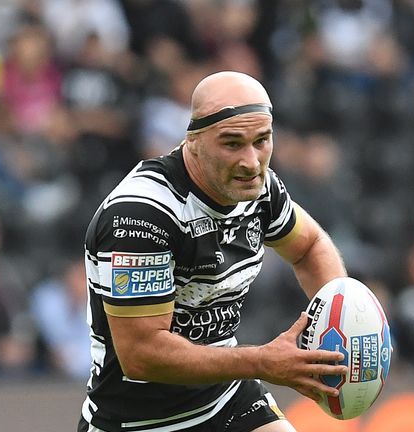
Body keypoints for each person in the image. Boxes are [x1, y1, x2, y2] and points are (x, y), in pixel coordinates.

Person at [78, 71, 348, 432]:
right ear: (193, 140)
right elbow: (142, 355)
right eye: (232, 144)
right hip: (137, 421)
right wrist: (262, 361)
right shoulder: (143, 214)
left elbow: (311, 246)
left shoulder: (259, 189)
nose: (251, 162)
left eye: (261, 141)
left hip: (224, 400)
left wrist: (343, 320)